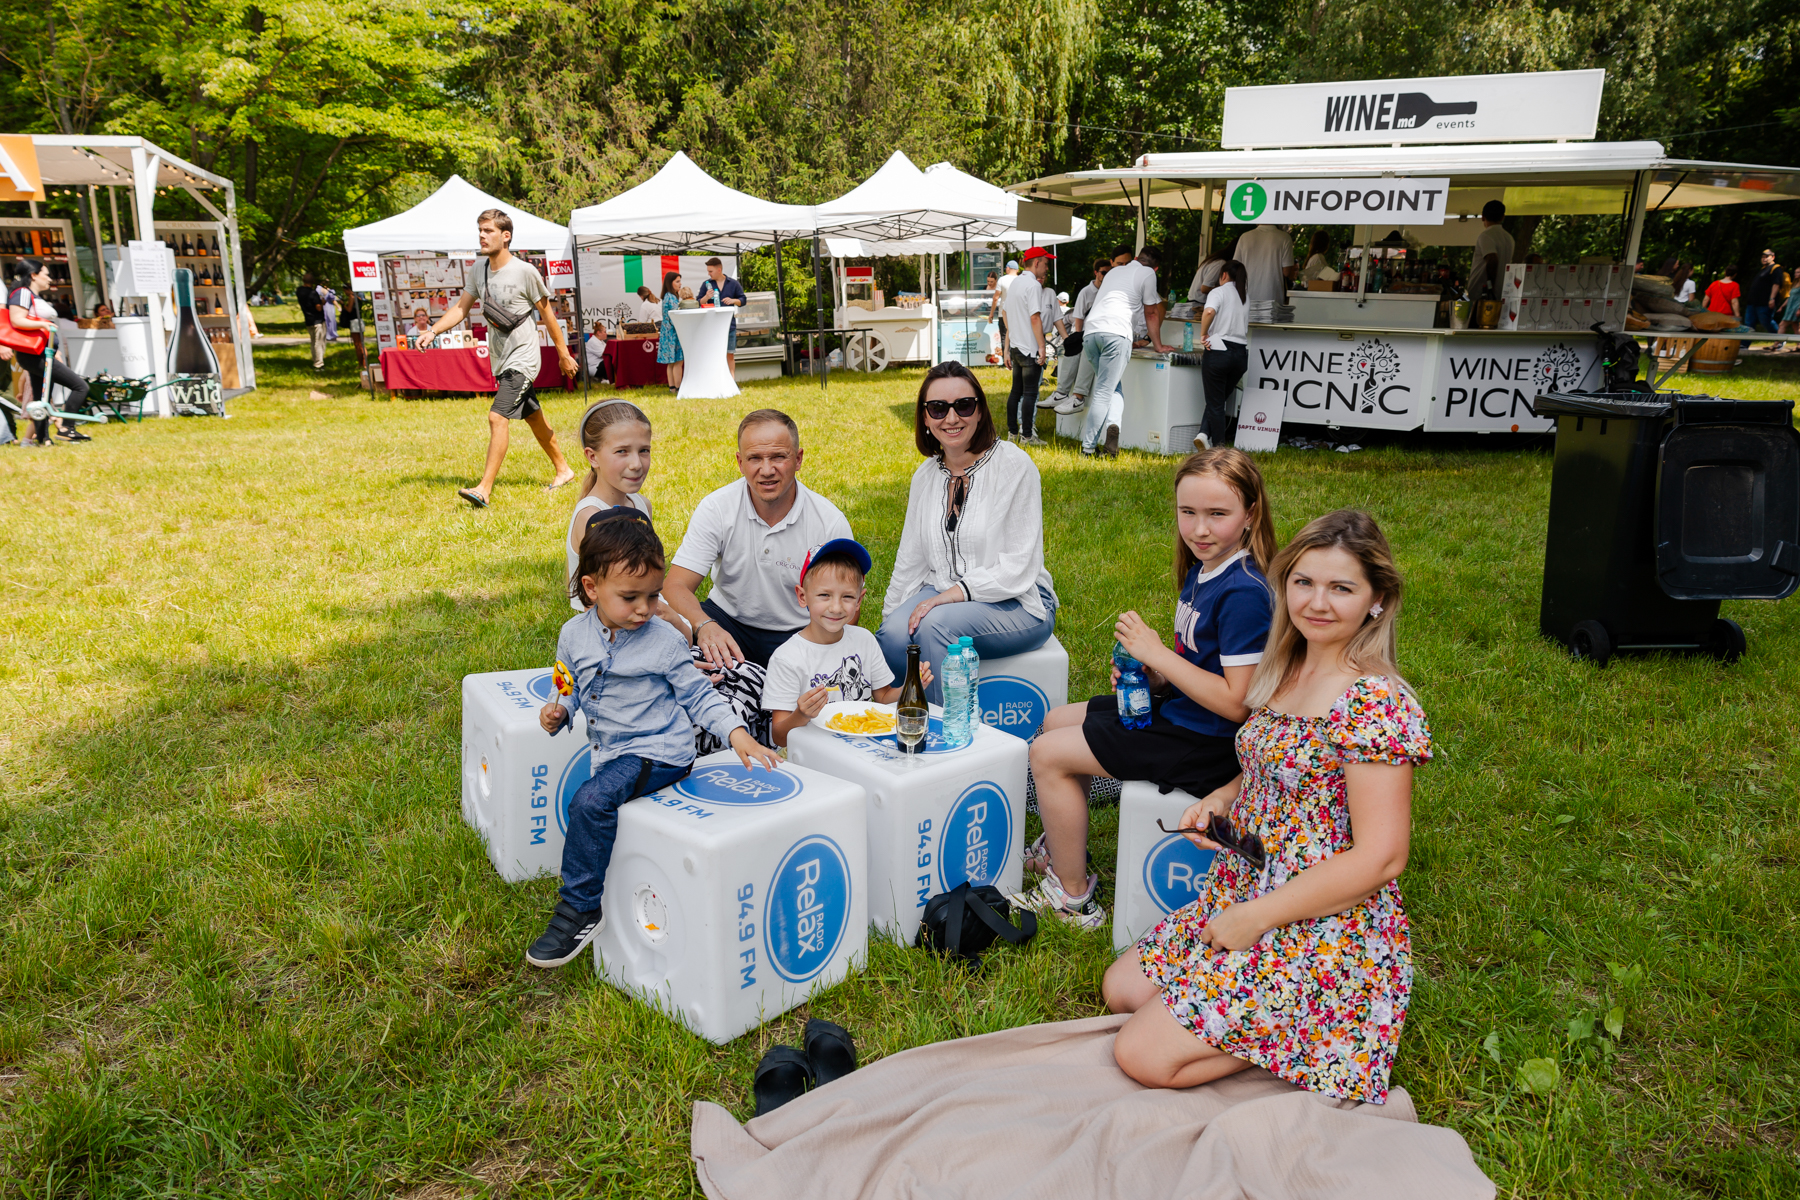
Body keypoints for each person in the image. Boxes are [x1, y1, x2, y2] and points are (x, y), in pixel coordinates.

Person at [1103, 508, 1430, 1101]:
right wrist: (1220, 800)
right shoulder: (1288, 667)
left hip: (1319, 919)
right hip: (1245, 886)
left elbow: (1383, 857)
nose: (1317, 602)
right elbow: (1258, 770)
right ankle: (1267, 1030)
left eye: (1341, 588)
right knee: (1123, 989)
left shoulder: (1375, 700)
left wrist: (1255, 920)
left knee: (1140, 1054)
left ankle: (1330, 1035)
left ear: (1377, 598)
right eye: (1303, 582)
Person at [1016, 448, 1274, 929]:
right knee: (1054, 720)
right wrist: (1151, 676)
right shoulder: (1205, 568)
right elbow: (1199, 664)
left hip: (1208, 745)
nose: (1200, 528)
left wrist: (1159, 655)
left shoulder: (1244, 592)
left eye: (1218, 514)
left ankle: (1072, 899)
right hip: (1183, 714)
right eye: (1188, 513)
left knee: (1048, 753)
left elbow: (1239, 705)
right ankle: (1062, 845)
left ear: (1250, 515)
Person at [527, 509, 782, 968]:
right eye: (630, 598)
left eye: (651, 596)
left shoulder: (663, 640)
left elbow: (699, 696)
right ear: (591, 588)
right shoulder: (572, 635)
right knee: (599, 798)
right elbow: (568, 684)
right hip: (612, 752)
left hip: (660, 750)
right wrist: (559, 709)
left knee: (590, 801)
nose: (644, 609)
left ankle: (579, 909)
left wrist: (737, 733)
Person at [566, 398, 773, 749]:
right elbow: (605, 612)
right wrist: (672, 660)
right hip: (616, 647)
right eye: (622, 452)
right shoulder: (592, 516)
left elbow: (649, 591)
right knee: (721, 689)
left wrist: (681, 636)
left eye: (643, 450)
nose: (636, 463)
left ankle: (758, 744)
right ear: (592, 456)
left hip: (651, 630)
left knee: (750, 675)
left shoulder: (639, 504)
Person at [875, 362, 1058, 704]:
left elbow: (1018, 565)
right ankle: (901, 722)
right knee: (893, 636)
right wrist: (893, 619)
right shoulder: (926, 476)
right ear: (925, 418)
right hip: (940, 589)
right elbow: (910, 560)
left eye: (964, 405)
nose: (952, 418)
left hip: (1018, 601)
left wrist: (950, 595)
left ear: (979, 410)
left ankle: (946, 738)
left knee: (935, 627)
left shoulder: (1014, 466)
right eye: (938, 408)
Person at [664, 409, 854, 677]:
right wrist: (703, 624)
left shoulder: (829, 521)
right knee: (665, 633)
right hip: (726, 621)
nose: (767, 470)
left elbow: (847, 604)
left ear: (798, 459)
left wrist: (819, 653)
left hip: (800, 632)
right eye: (755, 458)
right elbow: (675, 585)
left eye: (778, 457)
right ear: (740, 462)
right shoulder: (717, 508)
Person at [412, 208, 578, 508]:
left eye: (488, 231)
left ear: (506, 235)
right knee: (534, 417)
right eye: (480, 230)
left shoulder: (526, 271)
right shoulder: (479, 270)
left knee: (497, 416)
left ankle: (484, 489)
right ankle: (563, 470)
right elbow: (461, 308)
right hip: (501, 359)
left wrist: (564, 355)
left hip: (523, 358)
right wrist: (433, 331)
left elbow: (547, 315)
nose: (482, 236)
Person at [761, 539, 932, 746]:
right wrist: (802, 714)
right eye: (824, 595)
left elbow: (884, 697)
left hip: (862, 747)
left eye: (847, 597)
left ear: (859, 600)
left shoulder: (864, 640)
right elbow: (779, 736)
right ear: (802, 596)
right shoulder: (787, 658)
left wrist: (911, 686)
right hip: (811, 755)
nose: (836, 607)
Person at [1079, 244, 1174, 458]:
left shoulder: (1116, 271)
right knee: (1105, 391)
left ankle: (1112, 431)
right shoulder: (1147, 273)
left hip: (1091, 332)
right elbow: (1151, 313)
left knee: (1111, 386)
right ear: (1156, 269)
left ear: (1137, 257)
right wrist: (1157, 345)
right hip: (1116, 333)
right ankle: (1087, 449)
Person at [7, 258, 92, 444]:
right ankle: (67, 428)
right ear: (33, 275)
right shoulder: (22, 293)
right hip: (34, 354)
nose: (50, 279)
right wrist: (45, 325)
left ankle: (43, 438)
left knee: (41, 397)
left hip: (42, 353)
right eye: (46, 274)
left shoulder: (31, 295)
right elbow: (16, 319)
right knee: (80, 386)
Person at [1043, 256, 1110, 414]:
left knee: (1086, 351)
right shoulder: (1087, 292)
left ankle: (1077, 396)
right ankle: (1062, 393)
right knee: (1074, 349)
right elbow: (1078, 317)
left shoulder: (1111, 290)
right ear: (1096, 273)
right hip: (1086, 333)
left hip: (1100, 334)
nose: (1106, 275)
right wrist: (1079, 338)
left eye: (1109, 272)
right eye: (1103, 272)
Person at [1195, 261, 1250, 450]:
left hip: (1219, 351)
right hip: (1241, 355)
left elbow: (1209, 311)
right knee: (1217, 400)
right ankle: (1203, 434)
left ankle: (1219, 450)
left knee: (1215, 403)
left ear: (1224, 275)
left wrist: (1203, 333)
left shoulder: (1218, 292)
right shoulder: (1244, 296)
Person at [1003, 246, 1053, 445]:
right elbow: (1035, 317)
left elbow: (1005, 312)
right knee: (1030, 393)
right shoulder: (1032, 286)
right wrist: (1042, 346)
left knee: (1016, 392)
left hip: (1016, 347)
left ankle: (1012, 433)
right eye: (1046, 264)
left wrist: (1008, 345)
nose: (1047, 269)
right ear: (1037, 262)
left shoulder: (1015, 282)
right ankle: (1027, 437)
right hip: (1030, 348)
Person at [695, 257, 747, 377]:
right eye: (708, 271)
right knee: (715, 354)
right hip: (712, 326)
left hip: (729, 325)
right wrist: (706, 298)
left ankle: (731, 381)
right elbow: (698, 302)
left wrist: (733, 300)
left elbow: (743, 300)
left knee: (730, 354)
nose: (708, 273)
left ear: (719, 270)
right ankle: (717, 379)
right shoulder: (706, 284)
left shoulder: (733, 283)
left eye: (710, 271)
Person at [1233, 223, 1294, 307]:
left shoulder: (1245, 237)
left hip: (1247, 295)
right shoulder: (1284, 237)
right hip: (1272, 295)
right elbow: (1286, 272)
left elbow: (1235, 267)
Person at [1467, 200, 1514, 303]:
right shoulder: (1509, 238)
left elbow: (1492, 259)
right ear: (1502, 217)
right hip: (1501, 292)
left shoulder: (1486, 235)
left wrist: (1489, 287)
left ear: (1483, 216)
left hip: (1483, 295)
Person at [657, 271, 685, 392]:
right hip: (674, 332)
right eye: (677, 281)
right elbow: (677, 315)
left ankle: (672, 388)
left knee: (671, 362)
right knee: (678, 361)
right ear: (670, 283)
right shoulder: (672, 297)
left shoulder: (666, 296)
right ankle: (678, 388)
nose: (680, 284)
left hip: (666, 332)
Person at [1744, 249, 1781, 332]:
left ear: (1773, 257)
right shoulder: (1763, 269)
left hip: (1764, 302)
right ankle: (1744, 344)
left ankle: (1779, 338)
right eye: (1763, 257)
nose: (1764, 259)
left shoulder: (1775, 268)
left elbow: (1776, 284)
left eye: (1767, 256)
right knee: (1748, 323)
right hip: (1753, 302)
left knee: (1766, 321)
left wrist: (1772, 298)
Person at [296, 273, 327, 369]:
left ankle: (315, 359)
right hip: (317, 320)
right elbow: (318, 308)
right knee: (319, 342)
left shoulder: (299, 291)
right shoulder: (313, 293)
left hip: (308, 319)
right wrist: (322, 303)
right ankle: (319, 364)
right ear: (313, 282)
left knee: (313, 342)